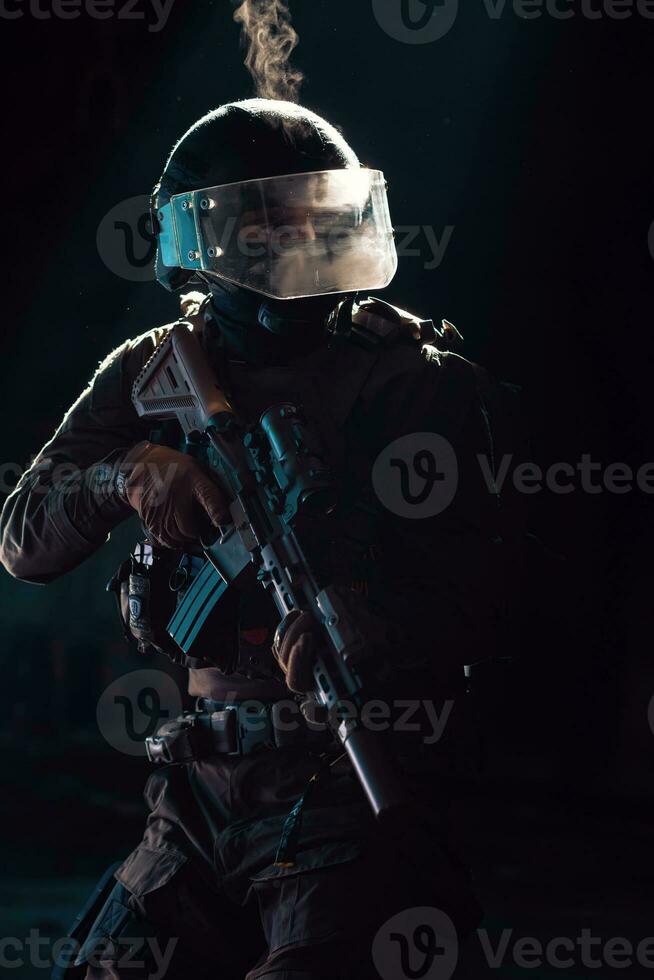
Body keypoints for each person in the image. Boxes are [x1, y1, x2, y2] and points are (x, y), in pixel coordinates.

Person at [0, 99, 523, 979]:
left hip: (345, 788)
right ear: (210, 241)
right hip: (197, 795)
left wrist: (377, 622)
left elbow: (515, 593)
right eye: (268, 225)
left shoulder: (415, 383)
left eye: (316, 219)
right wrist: (129, 472)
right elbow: (23, 538)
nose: (298, 244)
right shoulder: (157, 370)